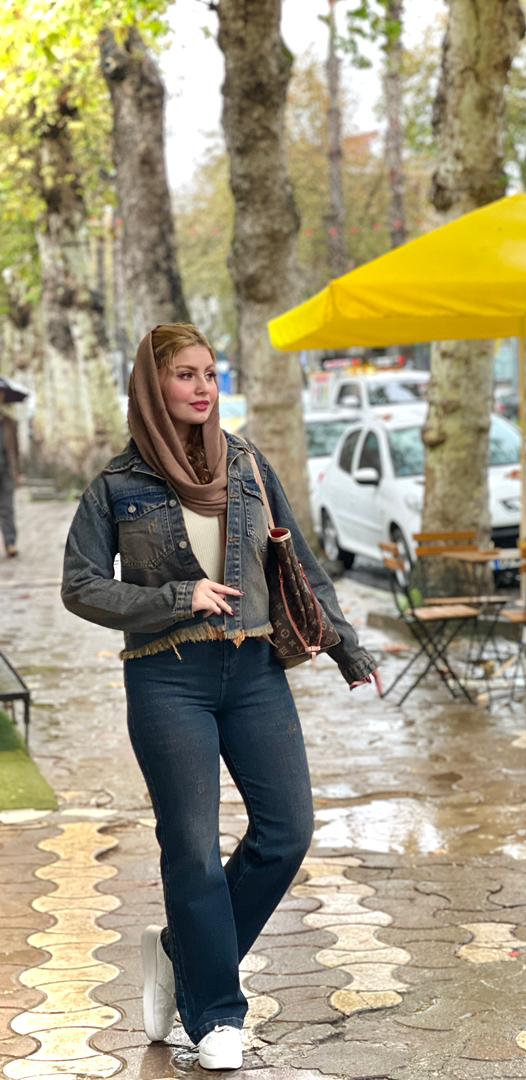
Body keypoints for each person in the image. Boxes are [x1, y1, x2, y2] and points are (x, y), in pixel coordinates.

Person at [61, 324, 382, 1071]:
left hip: (255, 672)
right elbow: (80, 586)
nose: (203, 387)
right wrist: (179, 596)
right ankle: (217, 1016)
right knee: (193, 849)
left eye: (209, 373)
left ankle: (183, 951)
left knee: (288, 830)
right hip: (167, 676)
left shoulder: (246, 464)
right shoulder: (117, 484)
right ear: (152, 386)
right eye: (185, 375)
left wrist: (347, 648)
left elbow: (299, 561)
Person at [0, 388, 20, 557]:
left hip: (6, 470)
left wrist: (17, 472)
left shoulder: (9, 422)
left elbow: (15, 450)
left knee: (7, 507)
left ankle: (10, 542)